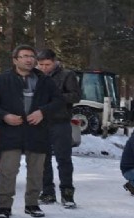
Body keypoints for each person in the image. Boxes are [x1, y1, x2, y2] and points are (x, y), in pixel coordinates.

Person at [0, 44, 64, 218]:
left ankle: (32, 204)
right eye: (24, 56)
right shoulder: (3, 79)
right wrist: (4, 116)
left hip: (37, 132)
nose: (29, 59)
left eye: (31, 56)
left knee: (36, 171)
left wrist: (42, 112)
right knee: (8, 171)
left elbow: (58, 101)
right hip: (11, 131)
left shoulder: (44, 80)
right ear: (15, 60)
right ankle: (4, 207)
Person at [35, 49, 81, 209]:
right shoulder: (35, 76)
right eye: (40, 64)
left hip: (60, 121)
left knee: (63, 159)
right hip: (40, 122)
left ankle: (67, 193)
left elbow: (75, 96)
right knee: (43, 159)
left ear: (54, 62)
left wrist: (56, 97)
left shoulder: (67, 75)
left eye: (47, 64)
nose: (44, 68)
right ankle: (47, 192)